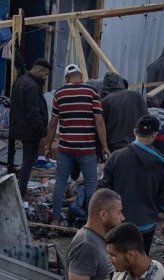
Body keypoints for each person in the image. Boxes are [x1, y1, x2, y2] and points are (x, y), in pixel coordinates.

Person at [99, 115, 164, 251]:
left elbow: (102, 191)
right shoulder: (162, 162)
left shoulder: (116, 157)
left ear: (135, 132)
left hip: (118, 224)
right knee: (140, 264)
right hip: (145, 226)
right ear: (155, 135)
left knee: (117, 264)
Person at [46, 64, 108, 228]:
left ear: (67, 78)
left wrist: (47, 146)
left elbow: (52, 124)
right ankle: (91, 223)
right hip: (87, 149)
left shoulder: (59, 94)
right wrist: (105, 146)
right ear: (80, 76)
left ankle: (56, 219)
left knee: (60, 183)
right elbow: (99, 121)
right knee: (90, 185)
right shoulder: (92, 93)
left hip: (65, 149)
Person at [9, 58, 51, 200]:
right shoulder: (32, 86)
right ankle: (20, 193)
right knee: (27, 164)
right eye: (45, 74)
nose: (45, 78)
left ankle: (16, 189)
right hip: (29, 132)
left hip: (18, 128)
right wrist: (42, 132)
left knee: (22, 163)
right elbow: (33, 112)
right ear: (39, 71)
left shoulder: (21, 81)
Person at [100, 73, 146, 153]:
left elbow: (100, 125)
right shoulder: (137, 96)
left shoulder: (105, 101)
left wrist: (103, 147)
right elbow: (146, 119)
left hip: (115, 146)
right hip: (137, 143)